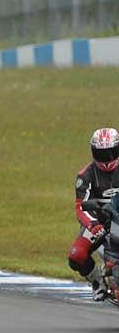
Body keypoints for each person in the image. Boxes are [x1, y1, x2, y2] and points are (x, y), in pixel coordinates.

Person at [67, 128, 119, 301]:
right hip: (99, 222)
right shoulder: (85, 175)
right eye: (102, 154)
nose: (107, 158)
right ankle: (98, 282)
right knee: (76, 255)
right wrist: (93, 224)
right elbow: (81, 207)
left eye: (111, 152)